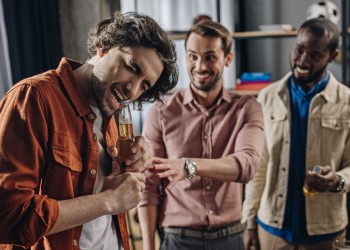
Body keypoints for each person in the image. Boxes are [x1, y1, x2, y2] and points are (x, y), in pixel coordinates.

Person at [0, 11, 178, 250]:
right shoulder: (34, 97)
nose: (132, 90)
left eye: (144, 85)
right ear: (104, 47)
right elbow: (9, 216)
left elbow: (107, 198)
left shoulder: (112, 114)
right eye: (132, 67)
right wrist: (109, 200)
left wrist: (136, 160)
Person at [138, 20, 264, 250]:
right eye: (192, 56)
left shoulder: (247, 108)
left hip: (231, 238)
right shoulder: (160, 113)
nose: (200, 66)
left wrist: (189, 166)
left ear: (227, 59)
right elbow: (148, 187)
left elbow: (248, 165)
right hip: (178, 239)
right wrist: (148, 247)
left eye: (210, 57)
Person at [242, 17, 350, 250]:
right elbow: (259, 165)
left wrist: (337, 181)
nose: (302, 61)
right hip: (271, 228)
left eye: (315, 55)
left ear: (332, 56)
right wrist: (249, 222)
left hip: (326, 232)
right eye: (299, 50)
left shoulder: (347, 102)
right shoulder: (267, 97)